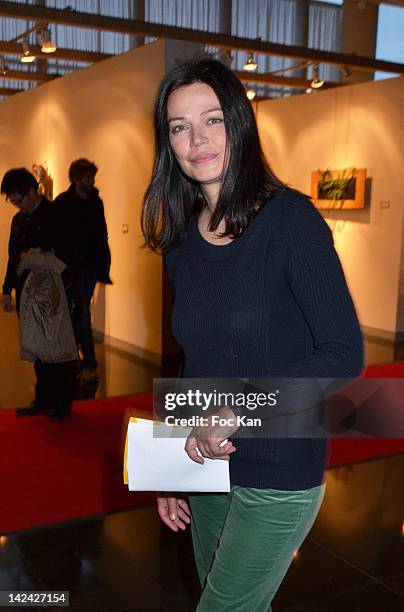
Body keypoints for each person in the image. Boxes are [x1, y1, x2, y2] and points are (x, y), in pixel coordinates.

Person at [141, 58, 364, 611]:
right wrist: (172, 461)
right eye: (179, 127)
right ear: (167, 144)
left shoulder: (290, 222)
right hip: (205, 462)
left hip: (280, 466)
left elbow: (343, 353)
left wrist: (238, 408)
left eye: (211, 120)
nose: (197, 140)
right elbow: (197, 360)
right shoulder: (180, 247)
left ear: (238, 124)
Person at [1, 168, 76, 421]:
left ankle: (62, 403)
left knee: (56, 347)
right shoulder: (19, 220)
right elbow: (13, 256)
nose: (16, 205)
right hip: (27, 292)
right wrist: (6, 290)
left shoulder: (56, 214)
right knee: (36, 347)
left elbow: (67, 255)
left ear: (32, 192)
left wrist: (36, 258)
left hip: (53, 292)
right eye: (12, 201)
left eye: (18, 200)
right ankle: (43, 400)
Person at [54, 159, 112, 382]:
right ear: (76, 179)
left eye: (92, 177)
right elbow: (56, 235)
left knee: (80, 313)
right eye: (88, 177)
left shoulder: (96, 202)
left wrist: (103, 265)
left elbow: (102, 234)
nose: (92, 181)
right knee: (78, 314)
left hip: (88, 267)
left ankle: (83, 361)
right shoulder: (63, 202)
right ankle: (83, 361)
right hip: (69, 267)